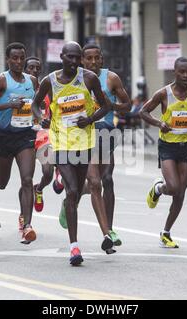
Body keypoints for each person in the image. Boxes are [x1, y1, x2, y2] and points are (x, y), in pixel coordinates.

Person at [31, 41, 113, 266]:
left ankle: (70, 216)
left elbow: (106, 107)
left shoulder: (89, 79)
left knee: (74, 196)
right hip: (61, 143)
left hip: (84, 142)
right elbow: (35, 105)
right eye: (70, 57)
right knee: (73, 189)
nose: (74, 62)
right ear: (62, 57)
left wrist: (90, 119)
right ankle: (74, 246)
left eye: (78, 58)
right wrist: (42, 118)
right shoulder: (50, 81)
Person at [141, 57, 187, 248]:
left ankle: (166, 232)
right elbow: (143, 112)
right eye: (182, 72)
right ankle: (158, 188)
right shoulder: (163, 94)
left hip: (185, 147)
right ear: (175, 72)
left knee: (180, 193)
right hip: (167, 147)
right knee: (172, 187)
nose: (186, 75)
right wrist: (159, 123)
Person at [67, 43, 130, 250]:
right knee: (95, 182)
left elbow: (127, 105)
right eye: (89, 58)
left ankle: (78, 199)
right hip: (83, 134)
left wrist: (112, 106)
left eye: (97, 58)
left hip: (105, 133)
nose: (93, 62)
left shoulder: (111, 78)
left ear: (101, 59)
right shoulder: (75, 79)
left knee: (107, 180)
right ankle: (107, 234)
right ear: (82, 61)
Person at [0, 42, 39, 244]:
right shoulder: (0, 81)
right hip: (5, 136)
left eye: (22, 58)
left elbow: (37, 105)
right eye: (14, 58)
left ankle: (27, 226)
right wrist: (8, 105)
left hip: (25, 136)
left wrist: (41, 117)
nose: (19, 62)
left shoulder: (31, 81)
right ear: (8, 60)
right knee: (3, 183)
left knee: (27, 180)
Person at [24, 56, 55, 213]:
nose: (34, 70)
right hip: (24, 136)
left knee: (48, 172)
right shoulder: (19, 87)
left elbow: (56, 111)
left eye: (37, 68)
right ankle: (24, 218)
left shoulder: (47, 88)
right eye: (31, 68)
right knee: (26, 179)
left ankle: (40, 188)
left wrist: (49, 121)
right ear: (25, 70)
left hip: (43, 135)